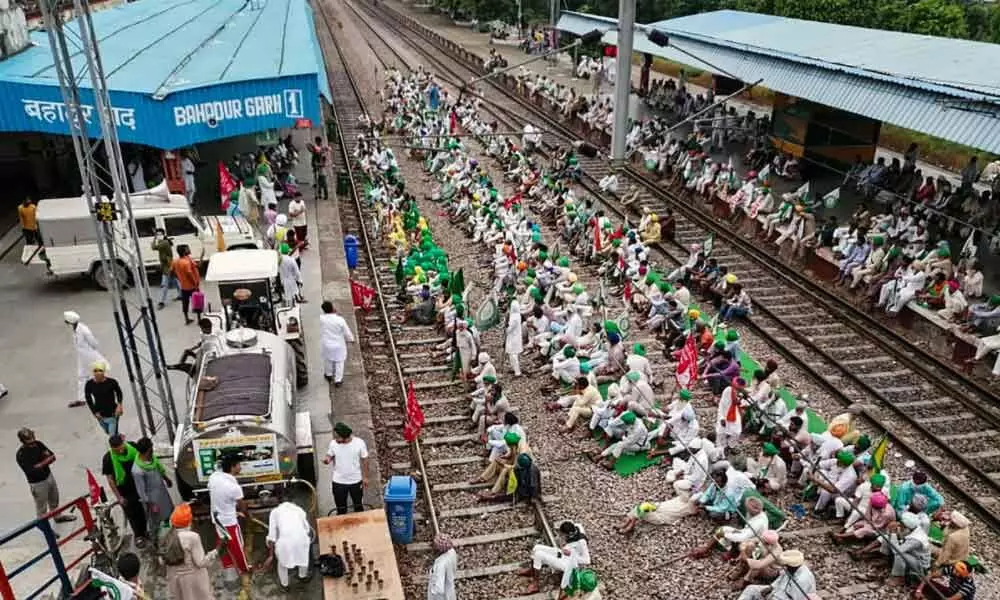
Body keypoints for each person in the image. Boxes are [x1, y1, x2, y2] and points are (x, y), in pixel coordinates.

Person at [15, 428, 76, 524]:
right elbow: (32, 471)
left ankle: (57, 516)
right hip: (37, 483)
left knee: (54, 499)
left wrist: (40, 464)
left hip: (48, 476)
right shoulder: (21, 454)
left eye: (32, 438)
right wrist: (45, 462)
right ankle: (45, 527)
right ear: (23, 441)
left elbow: (52, 457)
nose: (32, 441)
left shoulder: (39, 444)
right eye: (29, 440)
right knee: (41, 508)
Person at [207, 453, 251, 578]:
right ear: (232, 467)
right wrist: (246, 515)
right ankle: (244, 568)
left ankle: (227, 564)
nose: (240, 468)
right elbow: (242, 506)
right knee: (237, 546)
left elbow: (216, 494)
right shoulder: (234, 487)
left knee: (222, 540)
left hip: (217, 518)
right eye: (239, 465)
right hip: (229, 521)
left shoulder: (214, 477)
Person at [102, 434, 149, 547]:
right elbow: (110, 479)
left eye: (121, 447)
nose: (120, 451)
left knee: (143, 511)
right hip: (125, 491)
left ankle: (146, 531)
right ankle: (139, 536)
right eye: (116, 450)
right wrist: (119, 497)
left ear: (123, 442)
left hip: (140, 485)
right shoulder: (108, 458)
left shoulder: (132, 447)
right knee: (132, 513)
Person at [165, 503, 219, 600]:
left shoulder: (167, 536)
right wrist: (213, 553)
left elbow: (162, 560)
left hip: (175, 580)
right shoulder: (192, 537)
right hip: (194, 579)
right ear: (189, 521)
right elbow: (201, 562)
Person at [520, 521, 591, 594]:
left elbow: (587, 560)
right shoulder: (576, 527)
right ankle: (532, 570)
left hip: (567, 564)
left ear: (569, 534)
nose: (561, 536)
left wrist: (571, 555)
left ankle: (535, 584)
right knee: (536, 548)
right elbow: (575, 524)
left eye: (562, 535)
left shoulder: (581, 542)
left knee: (539, 555)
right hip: (562, 553)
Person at [262, 501, 312, 590]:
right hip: (302, 539)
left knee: (282, 564)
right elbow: (307, 529)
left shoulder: (274, 512)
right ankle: (302, 576)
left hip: (285, 543)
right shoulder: (299, 509)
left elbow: (272, 536)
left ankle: (284, 585)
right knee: (303, 558)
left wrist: (271, 555)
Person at [323, 422, 369, 514]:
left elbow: (365, 460)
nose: (335, 439)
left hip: (355, 481)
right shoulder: (333, 443)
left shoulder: (359, 443)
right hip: (338, 481)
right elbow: (330, 454)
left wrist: (365, 477)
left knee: (358, 506)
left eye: (337, 437)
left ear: (345, 437)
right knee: (341, 508)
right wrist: (327, 459)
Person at [131, 436, 174, 534]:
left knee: (167, 512)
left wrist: (166, 479)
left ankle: (169, 530)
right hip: (152, 500)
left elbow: (158, 468)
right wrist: (150, 504)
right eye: (151, 449)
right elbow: (141, 491)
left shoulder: (152, 459)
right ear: (147, 451)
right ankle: (155, 540)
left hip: (161, 492)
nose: (153, 451)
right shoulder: (137, 471)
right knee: (155, 522)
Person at [66, 310, 107, 408]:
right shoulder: (76, 329)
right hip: (82, 356)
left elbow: (93, 342)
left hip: (89, 356)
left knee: (96, 375)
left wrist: (92, 352)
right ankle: (82, 399)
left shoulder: (83, 329)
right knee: (81, 376)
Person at [737, 549, 816, 599]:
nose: (784, 567)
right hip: (778, 591)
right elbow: (780, 579)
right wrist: (771, 587)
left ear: (792, 566)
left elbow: (794, 597)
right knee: (751, 589)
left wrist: (773, 596)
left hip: (786, 597)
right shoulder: (791, 569)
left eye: (786, 565)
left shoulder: (803, 579)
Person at [319, 301, 355, 385]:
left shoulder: (322, 319)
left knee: (328, 359)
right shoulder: (340, 320)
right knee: (339, 362)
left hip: (326, 344)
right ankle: (338, 380)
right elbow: (347, 332)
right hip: (338, 345)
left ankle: (328, 374)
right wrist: (351, 339)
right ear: (332, 308)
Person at [85, 361, 123, 435]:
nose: (98, 373)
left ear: (104, 372)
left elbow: (119, 393)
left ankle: (117, 440)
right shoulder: (89, 384)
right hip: (100, 415)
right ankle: (119, 437)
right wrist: (95, 412)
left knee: (112, 436)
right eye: (95, 371)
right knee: (108, 432)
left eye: (100, 370)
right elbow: (88, 399)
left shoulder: (112, 382)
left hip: (113, 413)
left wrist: (119, 405)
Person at [152, 229, 181, 309]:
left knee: (164, 285)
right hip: (168, 265)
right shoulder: (164, 242)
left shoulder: (164, 243)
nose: (158, 235)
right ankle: (181, 295)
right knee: (176, 280)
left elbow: (153, 247)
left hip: (168, 267)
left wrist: (154, 238)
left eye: (159, 234)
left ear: (163, 235)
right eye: (157, 234)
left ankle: (161, 302)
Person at [172, 244, 200, 325]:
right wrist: (195, 283)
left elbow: (172, 271)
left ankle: (187, 319)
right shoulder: (186, 262)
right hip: (192, 286)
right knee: (197, 302)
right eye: (187, 249)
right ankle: (199, 319)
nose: (189, 249)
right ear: (184, 252)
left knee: (185, 303)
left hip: (184, 287)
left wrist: (180, 278)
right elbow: (189, 273)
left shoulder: (176, 261)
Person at [427, 534, 457, 600]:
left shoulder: (440, 565)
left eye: (434, 548)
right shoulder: (452, 552)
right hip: (450, 588)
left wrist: (432, 591)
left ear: (439, 550)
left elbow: (439, 589)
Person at [505, 300, 524, 376]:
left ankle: (517, 371)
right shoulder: (517, 315)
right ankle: (514, 368)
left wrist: (506, 330)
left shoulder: (514, 318)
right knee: (511, 354)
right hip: (514, 337)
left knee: (513, 355)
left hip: (514, 338)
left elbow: (510, 328)